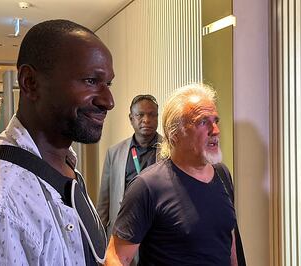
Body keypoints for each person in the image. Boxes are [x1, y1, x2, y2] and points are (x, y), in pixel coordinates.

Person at [0, 19, 115, 266]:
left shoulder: (66, 169)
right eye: (90, 80)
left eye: (108, 83)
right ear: (30, 82)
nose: (108, 101)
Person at [105, 84, 245, 266]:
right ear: (174, 134)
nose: (215, 130)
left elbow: (228, 239)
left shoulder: (222, 174)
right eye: (203, 122)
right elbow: (115, 257)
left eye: (215, 121)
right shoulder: (147, 186)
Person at [97, 94, 162, 238]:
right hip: (123, 232)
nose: (146, 120)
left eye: (152, 115)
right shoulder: (114, 153)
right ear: (131, 119)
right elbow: (104, 204)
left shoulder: (170, 151)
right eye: (140, 115)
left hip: (158, 232)